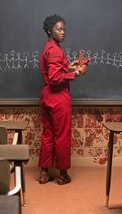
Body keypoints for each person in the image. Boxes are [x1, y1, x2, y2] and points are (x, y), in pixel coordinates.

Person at [38, 14, 88, 185]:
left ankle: (44, 173)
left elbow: (53, 70)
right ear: (49, 31)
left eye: (64, 29)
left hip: (46, 97)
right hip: (58, 98)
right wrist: (76, 73)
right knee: (62, 136)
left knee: (48, 135)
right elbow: (55, 78)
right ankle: (63, 175)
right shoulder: (56, 51)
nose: (63, 32)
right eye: (59, 29)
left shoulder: (48, 48)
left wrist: (68, 66)